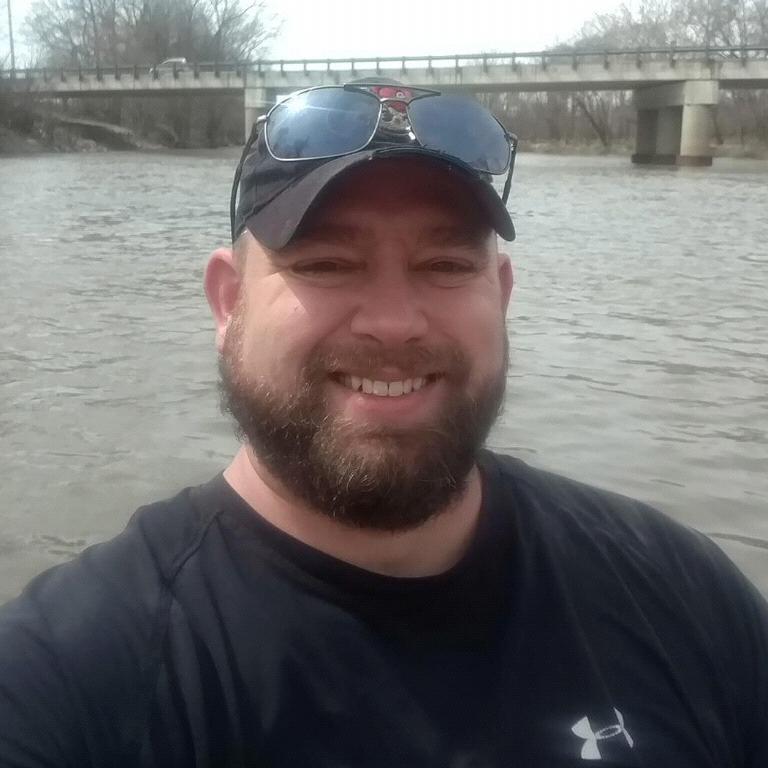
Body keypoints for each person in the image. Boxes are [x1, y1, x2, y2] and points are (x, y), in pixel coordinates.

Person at [1, 79, 766, 768]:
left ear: (500, 295)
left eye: (446, 266)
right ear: (229, 303)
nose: (395, 322)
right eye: (326, 264)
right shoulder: (70, 676)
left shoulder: (681, 596)